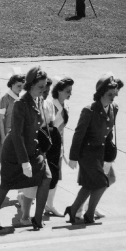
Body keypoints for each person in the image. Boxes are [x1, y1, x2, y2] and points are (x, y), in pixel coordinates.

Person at [0, 66, 52, 231]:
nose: (43, 90)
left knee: (46, 178)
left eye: (44, 87)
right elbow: (17, 135)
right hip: (15, 152)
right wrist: (24, 162)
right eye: (40, 87)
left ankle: (37, 219)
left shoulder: (38, 100)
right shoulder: (20, 104)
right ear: (30, 85)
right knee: (6, 184)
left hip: (32, 148)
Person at [65, 73, 122, 224]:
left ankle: (73, 209)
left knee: (98, 182)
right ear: (101, 93)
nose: (113, 97)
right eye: (109, 94)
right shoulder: (89, 110)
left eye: (114, 94)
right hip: (87, 153)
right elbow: (78, 135)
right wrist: (73, 157)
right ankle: (89, 215)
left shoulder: (113, 108)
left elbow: (109, 134)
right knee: (101, 183)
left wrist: (110, 156)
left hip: (102, 153)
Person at [44, 77, 73, 217]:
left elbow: (62, 131)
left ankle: (49, 205)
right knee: (45, 177)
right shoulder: (49, 105)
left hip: (57, 147)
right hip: (47, 147)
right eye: (68, 91)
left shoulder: (65, 107)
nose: (70, 94)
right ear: (59, 91)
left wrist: (63, 149)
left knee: (55, 177)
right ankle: (23, 197)